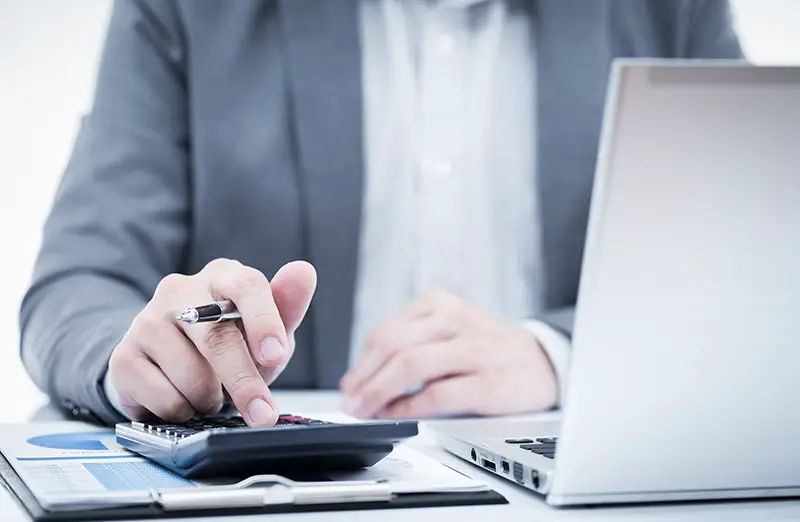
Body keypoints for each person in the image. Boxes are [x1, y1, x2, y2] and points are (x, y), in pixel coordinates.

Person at [19, 0, 743, 427]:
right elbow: (79, 284)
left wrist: (561, 353)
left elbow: (748, 270)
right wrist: (142, 360)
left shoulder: (670, 9)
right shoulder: (187, 12)